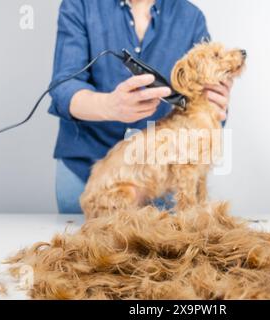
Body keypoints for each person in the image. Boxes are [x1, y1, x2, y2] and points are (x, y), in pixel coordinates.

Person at [49, 0, 233, 213]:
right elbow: (64, 87)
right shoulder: (80, 4)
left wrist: (214, 105)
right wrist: (109, 106)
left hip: (164, 181)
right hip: (87, 175)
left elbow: (203, 99)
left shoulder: (191, 17)